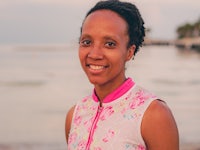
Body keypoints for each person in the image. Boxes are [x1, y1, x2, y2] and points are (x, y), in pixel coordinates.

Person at [65, 0, 179, 149]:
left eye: (110, 44)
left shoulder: (153, 114)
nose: (94, 54)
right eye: (87, 42)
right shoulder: (74, 115)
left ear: (129, 52)